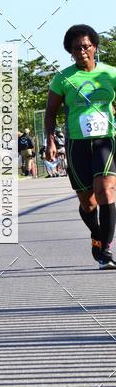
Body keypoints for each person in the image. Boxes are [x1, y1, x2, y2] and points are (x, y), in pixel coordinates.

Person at [45, 24, 116, 270]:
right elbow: (51, 112)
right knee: (88, 203)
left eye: (86, 46)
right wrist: (51, 140)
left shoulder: (110, 74)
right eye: (76, 48)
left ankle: (106, 249)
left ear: (95, 47)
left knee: (106, 190)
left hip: (105, 139)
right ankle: (97, 234)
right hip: (77, 143)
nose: (82, 51)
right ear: (71, 52)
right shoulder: (63, 78)